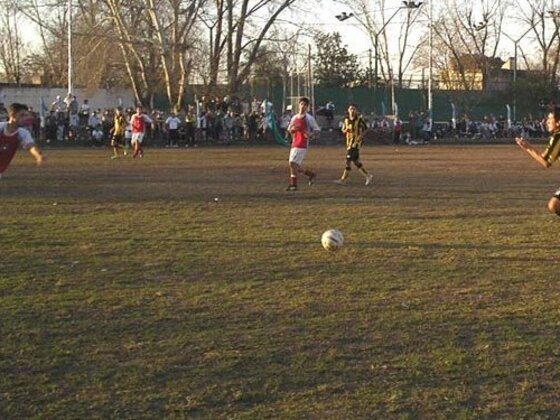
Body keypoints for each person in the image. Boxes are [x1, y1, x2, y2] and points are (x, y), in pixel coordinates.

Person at [516, 105, 560, 216]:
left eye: (550, 119)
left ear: (558, 122)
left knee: (554, 205)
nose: (547, 122)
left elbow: (546, 162)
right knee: (554, 205)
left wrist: (527, 147)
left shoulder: (558, 137)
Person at [0, 103, 45, 179]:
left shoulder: (22, 133)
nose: (25, 118)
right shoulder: (1, 127)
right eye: (22, 115)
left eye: (27, 115)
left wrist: (38, 155)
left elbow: (31, 146)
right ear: (12, 115)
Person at [286, 97, 320, 191]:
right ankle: (310, 174)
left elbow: (317, 130)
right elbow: (290, 129)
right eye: (301, 104)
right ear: (299, 105)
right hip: (295, 142)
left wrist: (311, 134)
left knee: (292, 163)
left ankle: (294, 185)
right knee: (294, 165)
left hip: (302, 143)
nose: (303, 106)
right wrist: (292, 131)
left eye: (305, 105)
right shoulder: (295, 117)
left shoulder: (309, 118)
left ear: (307, 107)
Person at [335, 104, 373, 186]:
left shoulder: (359, 120)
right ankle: (368, 175)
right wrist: (344, 130)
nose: (352, 111)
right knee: (356, 162)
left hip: (356, 143)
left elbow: (366, 129)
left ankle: (343, 178)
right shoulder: (346, 120)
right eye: (351, 109)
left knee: (348, 160)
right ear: (348, 110)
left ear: (356, 111)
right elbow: (343, 129)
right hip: (349, 143)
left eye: (354, 109)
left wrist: (361, 136)